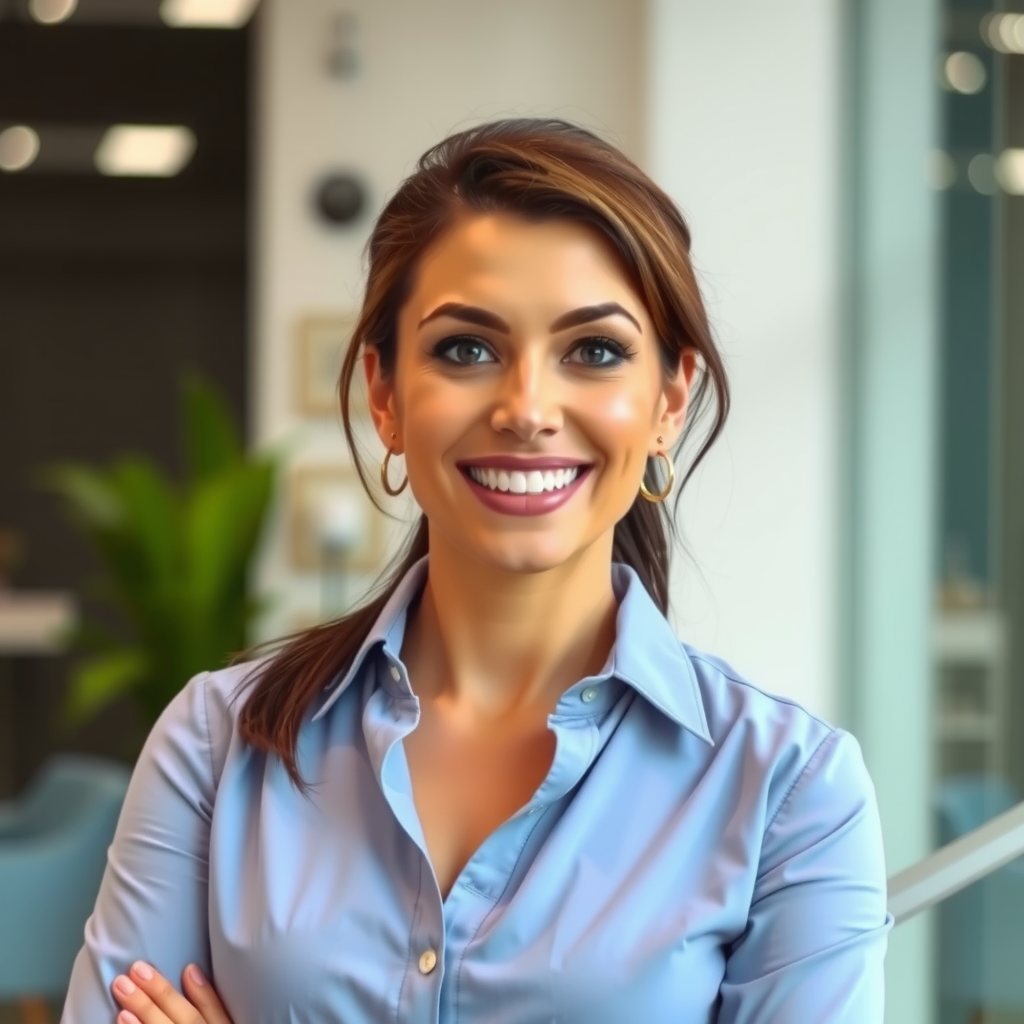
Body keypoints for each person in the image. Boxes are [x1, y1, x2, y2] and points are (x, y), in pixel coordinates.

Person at [62, 118, 892, 1024]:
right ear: (384, 394)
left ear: (668, 400)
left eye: (595, 351)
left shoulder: (791, 792)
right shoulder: (218, 746)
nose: (527, 409)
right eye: (466, 349)